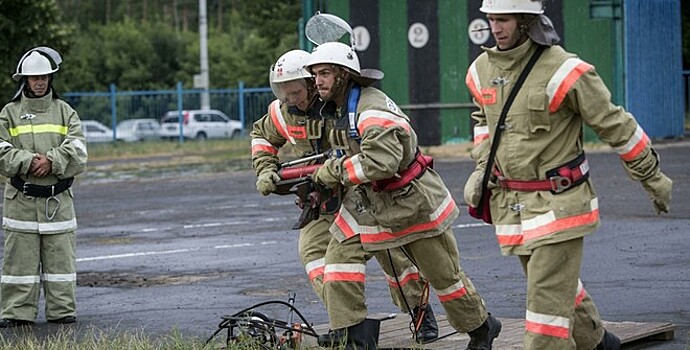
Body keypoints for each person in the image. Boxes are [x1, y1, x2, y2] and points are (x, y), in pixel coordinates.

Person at [462, 1, 673, 349]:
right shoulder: (481, 69)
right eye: (491, 19)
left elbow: (615, 125)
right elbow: (483, 119)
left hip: (560, 205)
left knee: (545, 314)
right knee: (556, 286)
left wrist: (652, 178)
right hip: (512, 208)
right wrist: (483, 166)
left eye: (504, 20)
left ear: (527, 22)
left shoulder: (564, 70)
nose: (495, 28)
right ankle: (598, 342)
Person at [305, 41, 501, 350]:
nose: (318, 81)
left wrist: (332, 172)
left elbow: (381, 163)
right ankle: (352, 333)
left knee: (444, 278)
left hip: (411, 201)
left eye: (325, 73)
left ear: (345, 75)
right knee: (339, 261)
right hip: (368, 203)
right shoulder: (342, 108)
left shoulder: (371, 108)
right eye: (316, 74)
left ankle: (481, 327)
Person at [250, 49, 439, 344]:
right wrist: (264, 168)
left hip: (360, 194)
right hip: (320, 199)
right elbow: (261, 136)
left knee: (390, 255)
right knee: (313, 255)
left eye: (295, 92)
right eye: (283, 93)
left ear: (313, 84)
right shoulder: (282, 111)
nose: (290, 100)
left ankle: (419, 310)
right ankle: (346, 322)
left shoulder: (340, 107)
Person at [0, 47, 88, 327]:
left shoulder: (66, 112)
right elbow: (1, 150)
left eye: (44, 77)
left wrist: (52, 161)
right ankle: (16, 313)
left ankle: (62, 311)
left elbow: (78, 150)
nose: (40, 82)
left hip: (57, 203)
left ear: (51, 79)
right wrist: (27, 161)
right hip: (20, 203)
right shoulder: (9, 114)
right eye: (34, 77)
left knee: (60, 264)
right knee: (18, 265)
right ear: (24, 80)